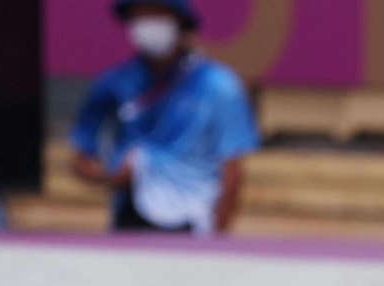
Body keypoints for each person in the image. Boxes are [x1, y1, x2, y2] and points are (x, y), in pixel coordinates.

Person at [69, 0, 258, 235]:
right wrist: (111, 177)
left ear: (180, 23)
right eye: (141, 15)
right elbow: (81, 158)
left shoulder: (219, 85)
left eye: (158, 14)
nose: (149, 23)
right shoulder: (113, 82)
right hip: (130, 215)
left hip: (195, 218)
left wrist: (216, 239)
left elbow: (232, 172)